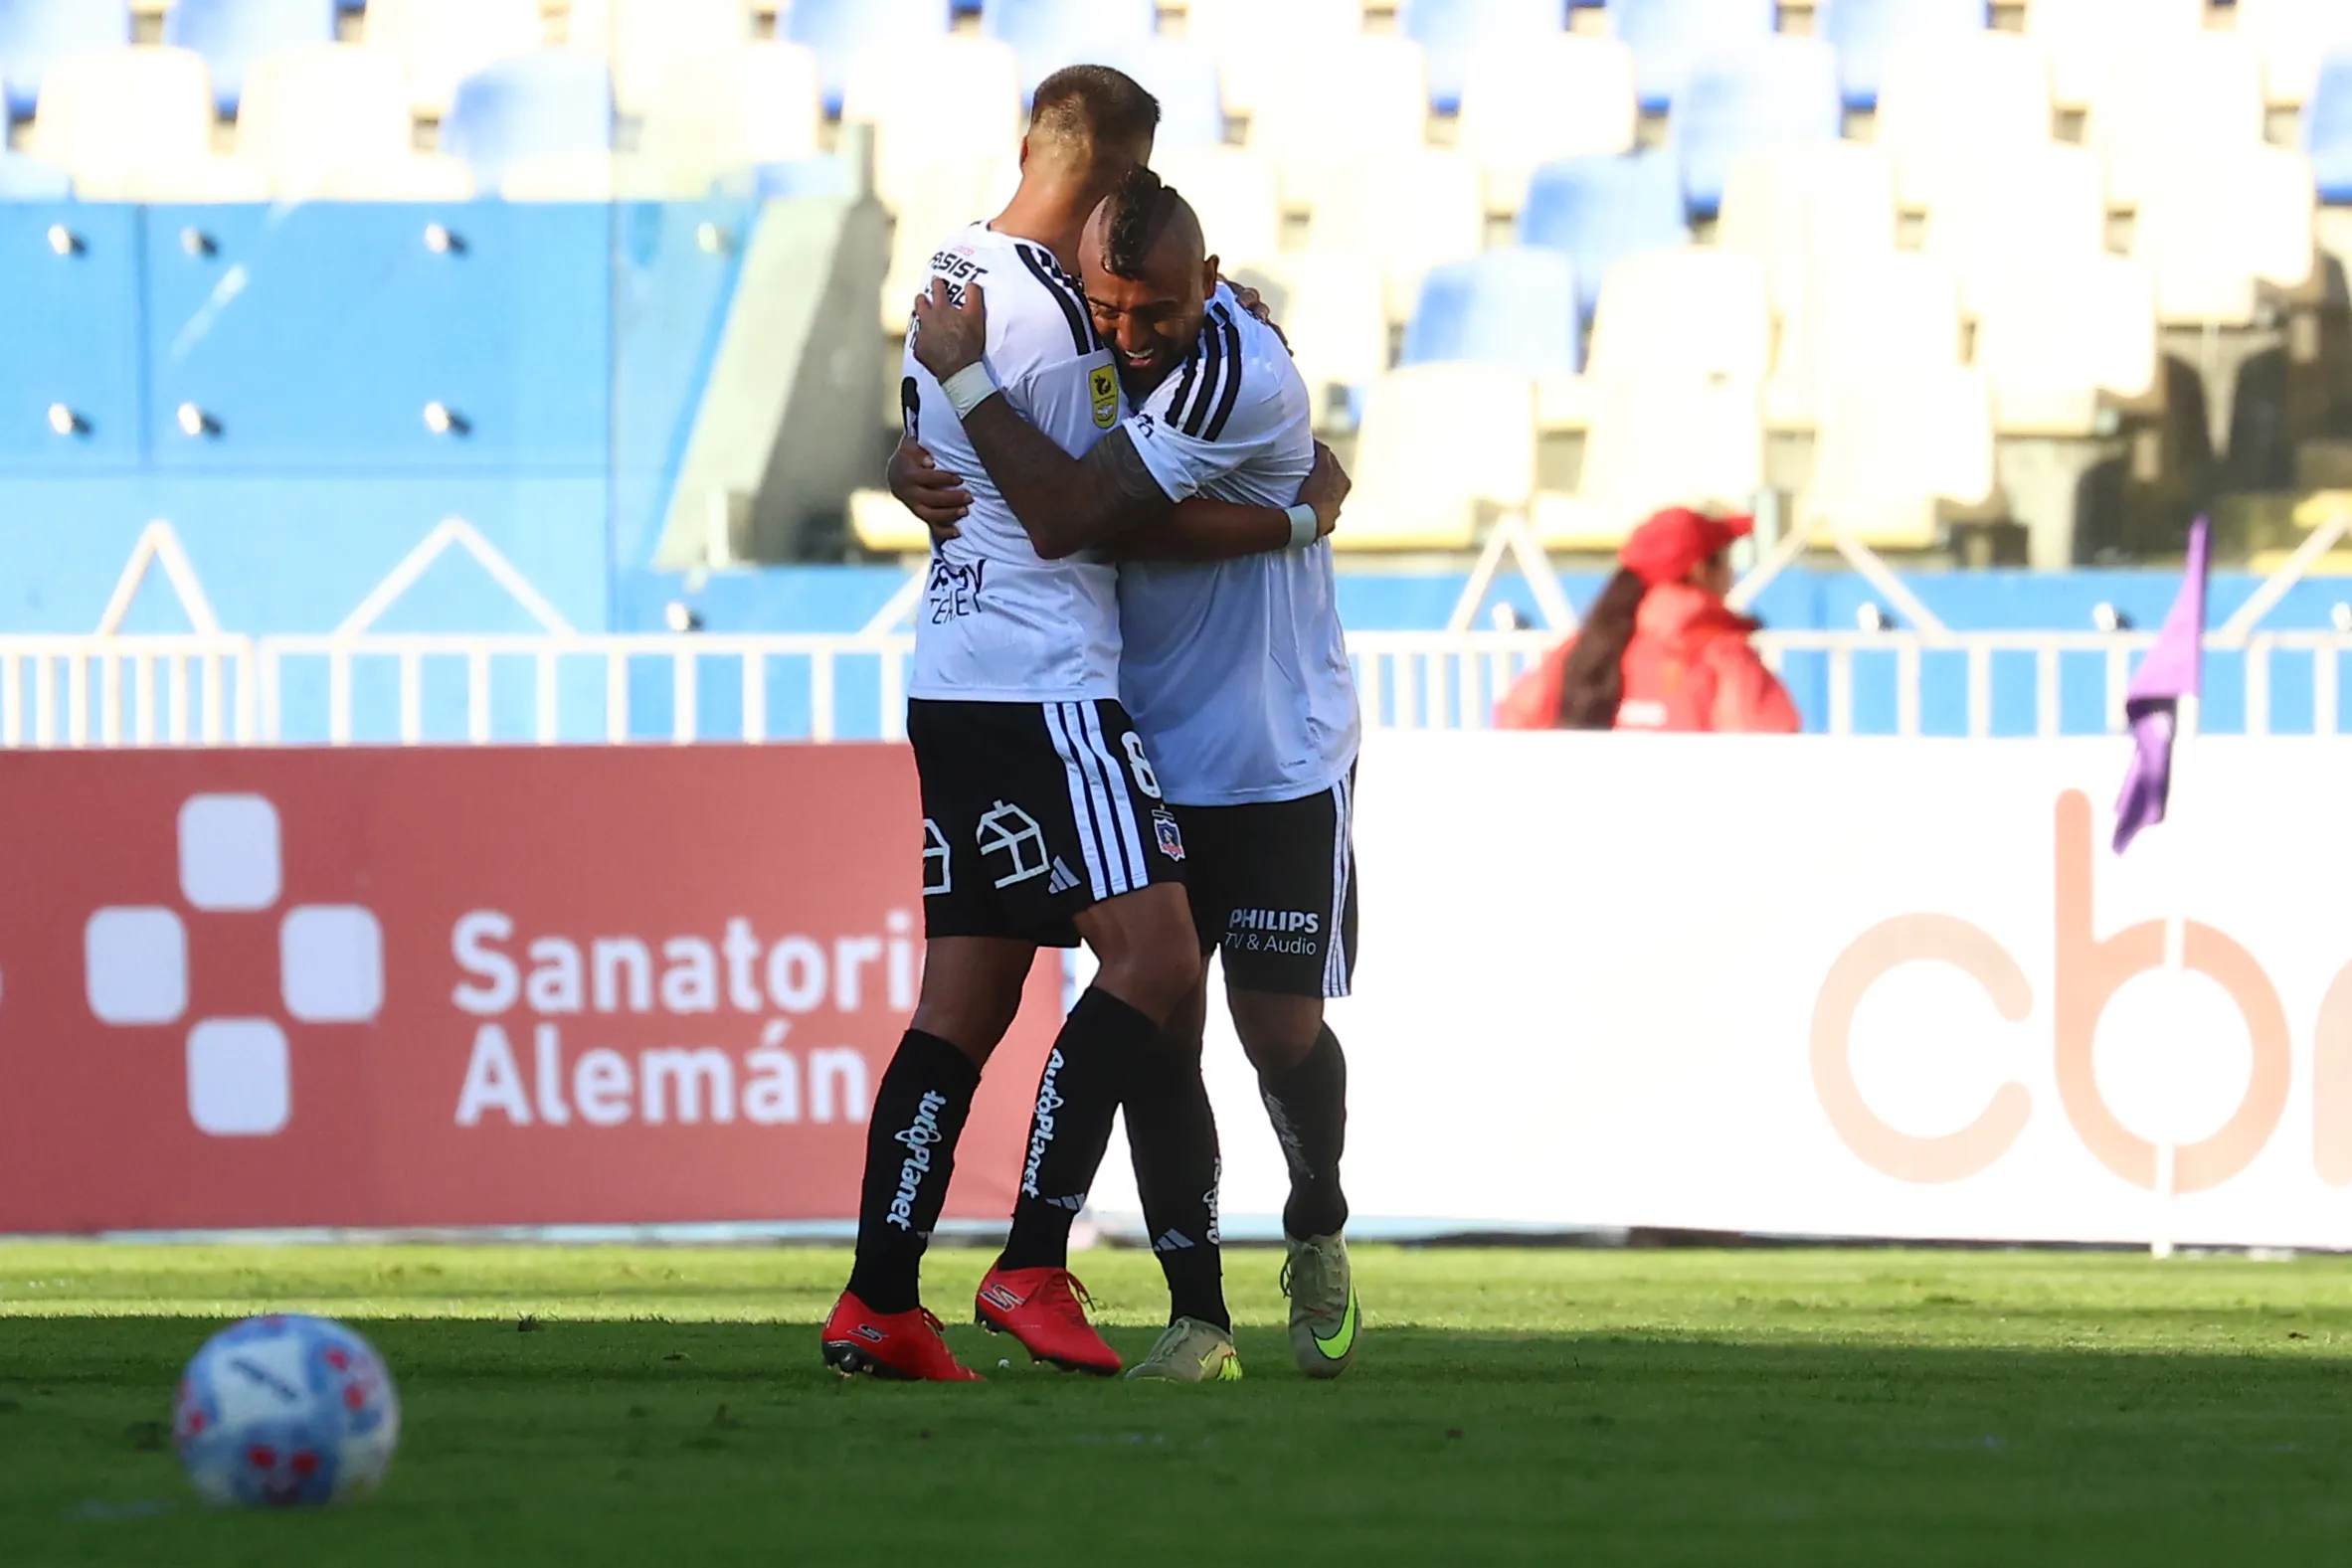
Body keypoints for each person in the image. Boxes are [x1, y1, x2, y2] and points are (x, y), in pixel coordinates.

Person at [821, 67, 1349, 1384]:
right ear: (1118, 184)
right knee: (1154, 962)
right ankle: (1034, 1261)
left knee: (964, 1001)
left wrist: (917, 442)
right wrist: (1295, 513)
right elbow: (1072, 514)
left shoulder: (957, 268)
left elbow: (960, 447)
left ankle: (879, 1296)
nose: (1130, 321)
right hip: (1045, 684)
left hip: (956, 674)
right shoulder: (1057, 318)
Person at [1495, 507, 1801, 734]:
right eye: (1726, 562)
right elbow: (1769, 748)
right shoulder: (1723, 656)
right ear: (1699, 570)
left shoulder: (1584, 650)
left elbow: (1515, 721)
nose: (1731, 575)